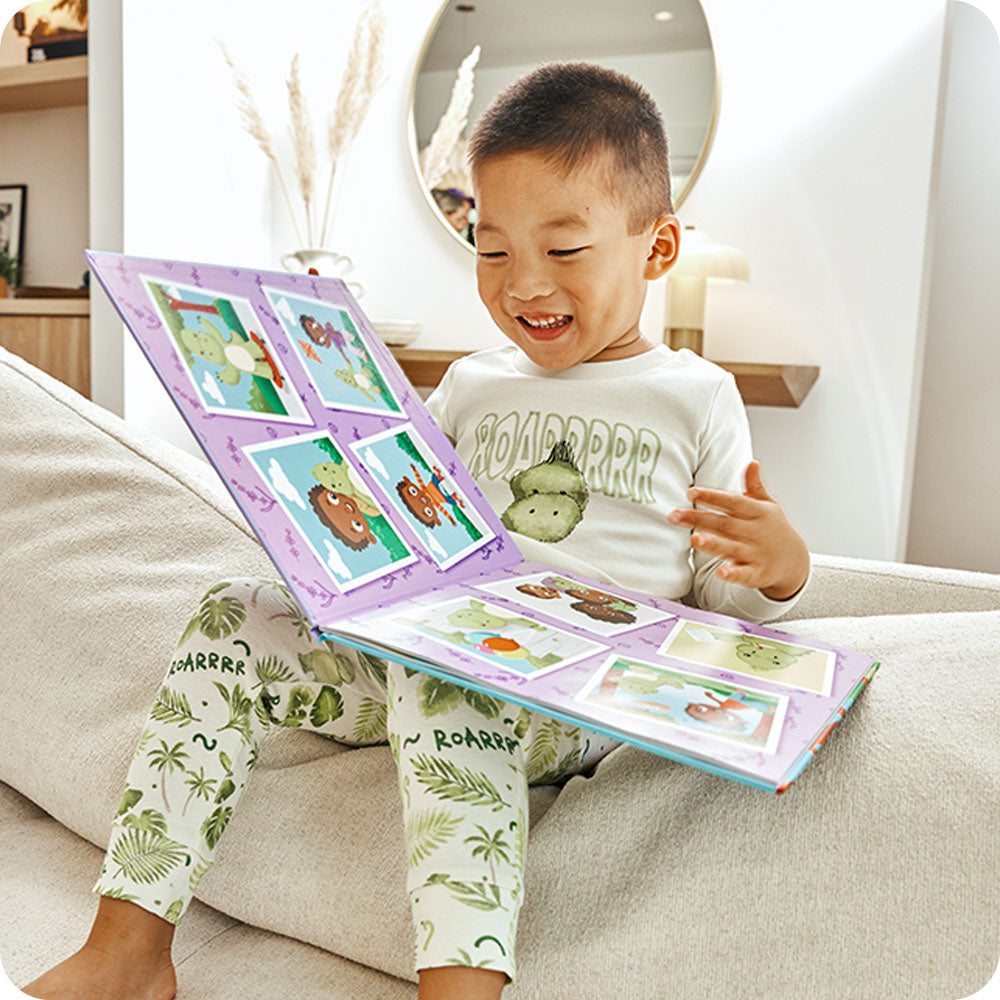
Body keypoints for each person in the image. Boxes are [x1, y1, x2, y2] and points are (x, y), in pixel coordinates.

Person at [22, 62, 809, 1000]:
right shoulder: (474, 384)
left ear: (658, 247)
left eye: (564, 251)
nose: (525, 285)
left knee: (453, 674)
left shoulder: (696, 395)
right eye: (492, 250)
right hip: (430, 645)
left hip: (579, 690)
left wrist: (780, 569)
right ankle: (128, 949)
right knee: (236, 614)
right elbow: (410, 511)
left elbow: (724, 595)